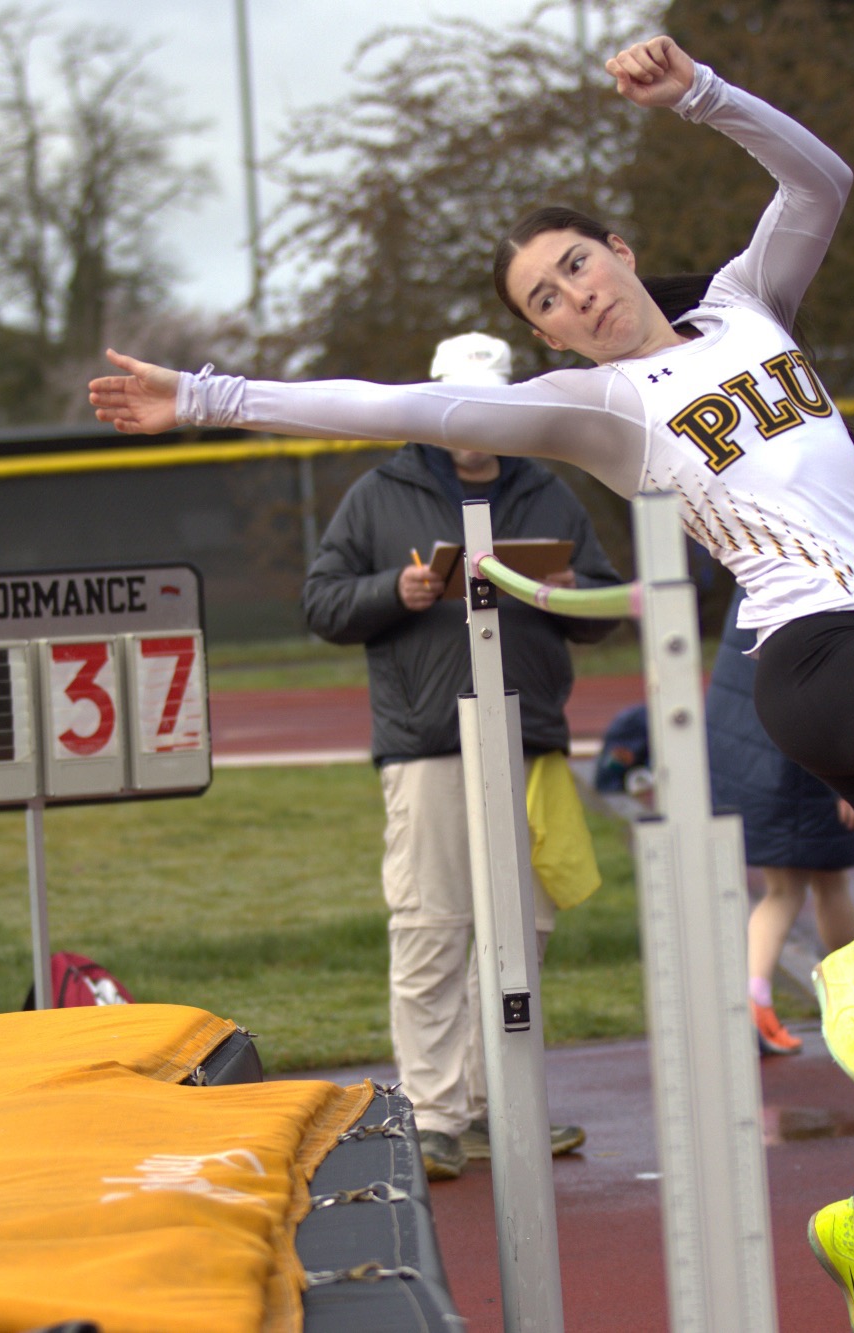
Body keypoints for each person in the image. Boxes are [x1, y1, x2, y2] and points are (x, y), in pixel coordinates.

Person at [92, 37, 854, 1330]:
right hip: (820, 656)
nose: (573, 298)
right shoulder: (600, 405)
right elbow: (398, 405)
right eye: (545, 302)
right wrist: (209, 392)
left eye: (576, 267)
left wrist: (705, 97)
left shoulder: (747, 305)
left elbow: (821, 182)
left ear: (616, 246)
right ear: (544, 336)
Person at [301, 331, 619, 1182]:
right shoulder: (378, 494)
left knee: (525, 930)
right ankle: (433, 1114)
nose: (474, 424)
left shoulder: (549, 490)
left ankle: (495, 1107)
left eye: (490, 405)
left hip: (531, 742)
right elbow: (322, 602)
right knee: (434, 928)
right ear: (432, 402)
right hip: (428, 741)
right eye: (458, 404)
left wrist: (564, 591)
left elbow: (602, 604)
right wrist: (391, 592)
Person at [707, 585, 854, 1056]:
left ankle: (756, 1001)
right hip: (792, 754)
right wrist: (847, 778)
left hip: (745, 747)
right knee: (823, 885)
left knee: (790, 887)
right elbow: (828, 680)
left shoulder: (755, 564)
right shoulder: (819, 574)